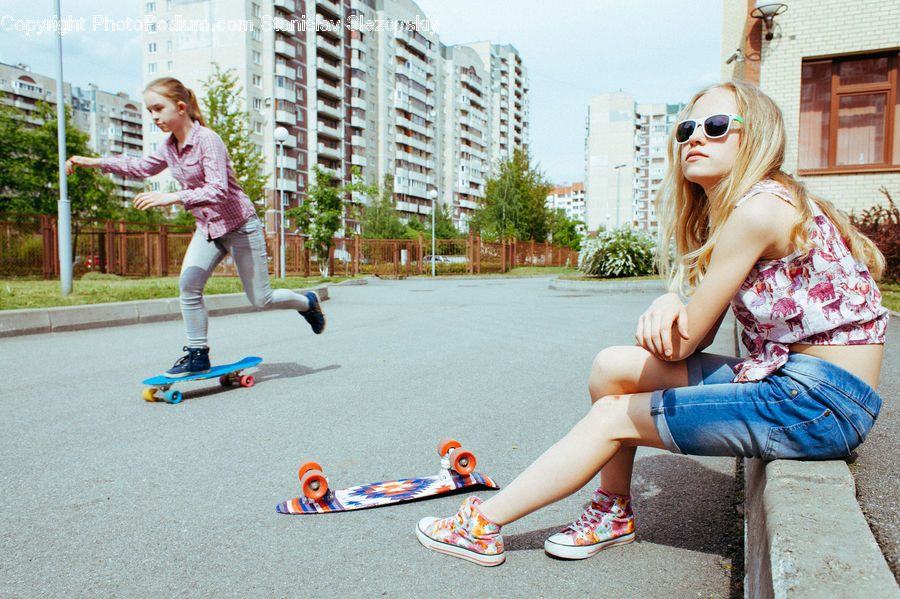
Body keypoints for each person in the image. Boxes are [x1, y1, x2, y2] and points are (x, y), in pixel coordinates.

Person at [415, 80, 889, 567]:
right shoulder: (743, 212)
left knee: (613, 416)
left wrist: (669, 306)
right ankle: (611, 512)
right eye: (686, 129)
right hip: (791, 381)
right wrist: (671, 301)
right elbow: (695, 336)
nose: (694, 138)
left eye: (716, 126)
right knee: (611, 368)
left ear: (757, 138)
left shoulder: (759, 211)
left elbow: (681, 342)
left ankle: (483, 524)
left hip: (821, 404)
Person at [66, 77, 325, 377]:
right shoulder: (169, 147)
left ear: (180, 107)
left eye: (158, 108)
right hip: (208, 229)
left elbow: (218, 190)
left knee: (260, 299)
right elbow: (138, 167)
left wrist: (172, 197)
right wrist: (93, 162)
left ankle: (307, 303)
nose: (154, 117)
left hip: (240, 226)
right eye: (150, 111)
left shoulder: (208, 140)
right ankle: (197, 353)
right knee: (188, 285)